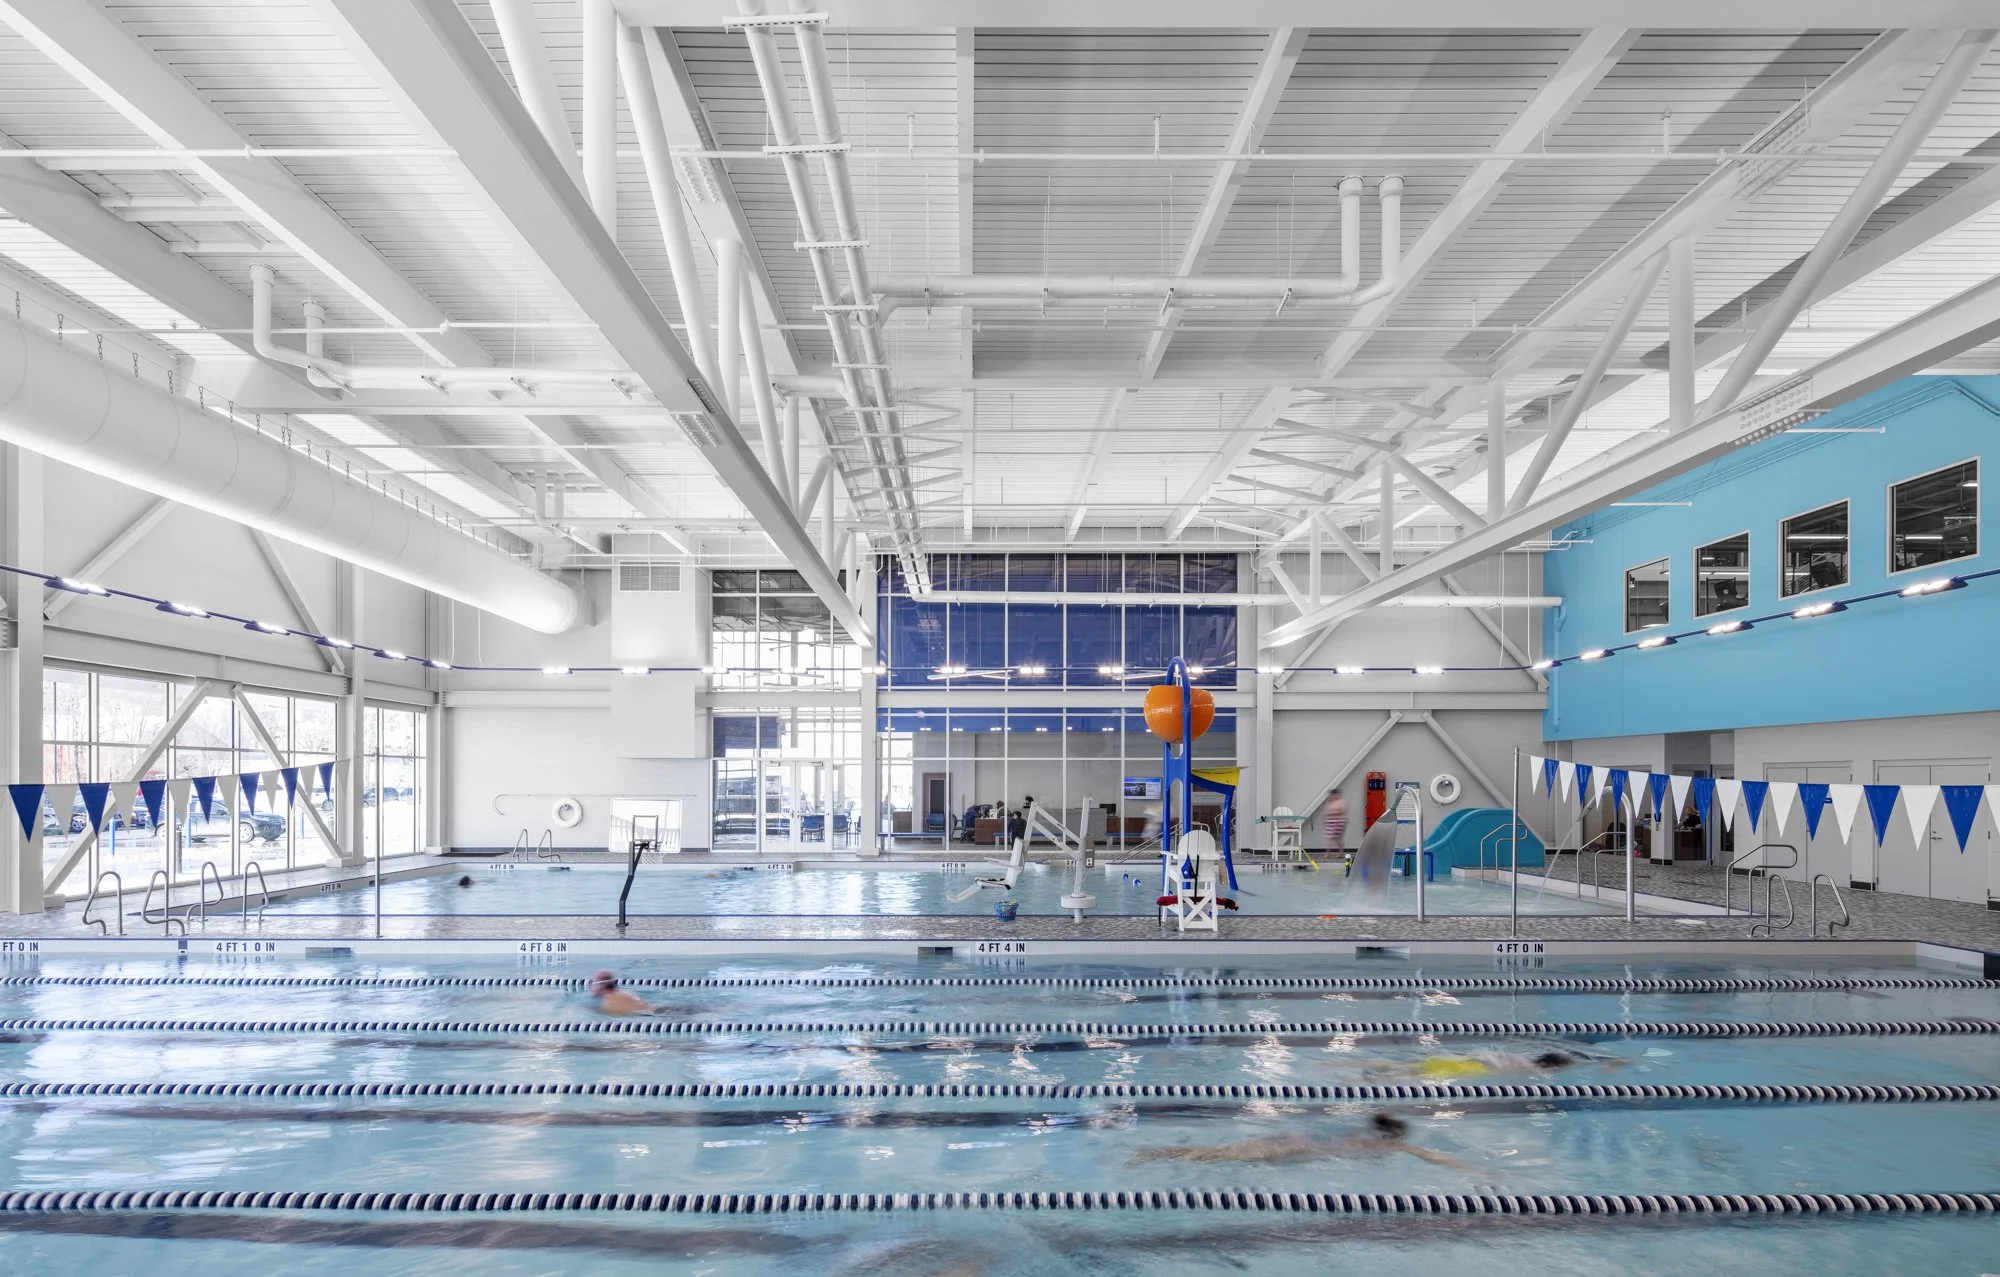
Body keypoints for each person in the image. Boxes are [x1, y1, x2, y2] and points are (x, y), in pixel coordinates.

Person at [1131, 1112, 1462, 1168]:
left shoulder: (1361, 1137)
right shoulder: (1388, 1145)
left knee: (1214, 1153)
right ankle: (1156, 1156)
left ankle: (1156, 1153)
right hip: (1296, 1148)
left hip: (1293, 1142)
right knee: (1213, 1157)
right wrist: (1472, 1171)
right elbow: (1431, 1156)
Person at [586, 970, 656, 1016]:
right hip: (655, 1009)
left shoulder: (607, 1004)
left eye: (592, 983)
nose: (591, 987)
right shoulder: (627, 993)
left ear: (599, 986)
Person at [1323, 791, 1348, 855]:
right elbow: (1327, 812)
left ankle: (1328, 853)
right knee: (1333, 838)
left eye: (1333, 795)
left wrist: (1332, 813)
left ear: (1336, 795)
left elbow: (1342, 811)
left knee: (1334, 838)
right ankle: (1340, 853)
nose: (1332, 796)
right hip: (1331, 822)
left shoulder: (1340, 802)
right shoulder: (1331, 802)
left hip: (1337, 822)